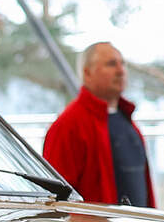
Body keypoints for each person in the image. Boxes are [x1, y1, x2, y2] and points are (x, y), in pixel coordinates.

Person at [42, 41, 155, 207]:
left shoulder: (127, 119)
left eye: (122, 63)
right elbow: (56, 199)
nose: (120, 70)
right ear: (87, 72)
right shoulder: (68, 126)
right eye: (111, 64)